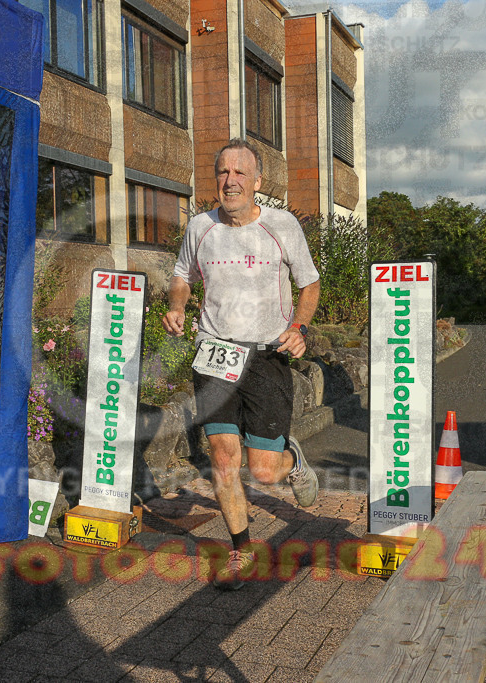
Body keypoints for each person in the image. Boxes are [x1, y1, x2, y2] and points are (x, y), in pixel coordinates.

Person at [162, 138, 321, 590]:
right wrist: (177, 305)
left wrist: (300, 328)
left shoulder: (282, 225)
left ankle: (293, 461)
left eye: (239, 173)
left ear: (257, 181)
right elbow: (180, 278)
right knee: (222, 458)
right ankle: (241, 551)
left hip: (266, 355)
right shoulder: (200, 228)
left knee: (264, 470)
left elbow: (309, 284)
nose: (230, 181)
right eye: (222, 172)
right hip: (214, 353)